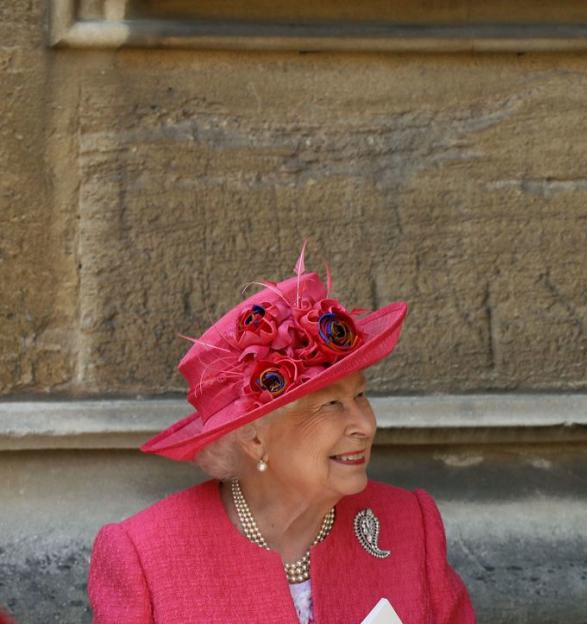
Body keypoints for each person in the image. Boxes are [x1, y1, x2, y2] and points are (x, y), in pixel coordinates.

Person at [88, 249, 475, 623]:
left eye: (360, 395)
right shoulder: (145, 557)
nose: (366, 425)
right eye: (331, 405)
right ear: (255, 439)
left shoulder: (410, 524)